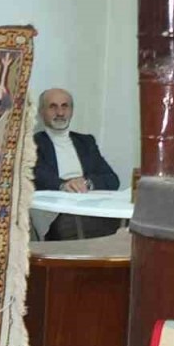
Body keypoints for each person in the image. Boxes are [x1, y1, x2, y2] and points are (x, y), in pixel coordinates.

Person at [32, 88, 121, 240]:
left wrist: (87, 183)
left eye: (65, 106)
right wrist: (65, 185)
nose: (60, 112)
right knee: (74, 226)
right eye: (53, 106)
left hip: (89, 204)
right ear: (41, 112)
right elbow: (38, 176)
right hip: (57, 210)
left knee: (133, 220)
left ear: (71, 110)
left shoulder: (86, 142)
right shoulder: (32, 143)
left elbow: (112, 179)